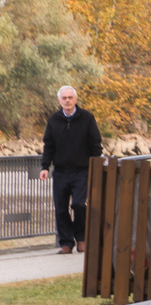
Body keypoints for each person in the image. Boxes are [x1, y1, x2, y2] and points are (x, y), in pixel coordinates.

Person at [39, 85, 102, 253]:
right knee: (60, 208)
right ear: (59, 101)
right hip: (60, 171)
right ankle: (66, 243)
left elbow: (96, 144)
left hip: (82, 171)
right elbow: (48, 146)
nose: (67, 100)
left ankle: (81, 238)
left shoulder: (87, 118)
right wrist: (45, 167)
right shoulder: (54, 120)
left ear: (75, 99)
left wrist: (95, 166)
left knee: (79, 205)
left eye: (70, 97)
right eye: (64, 98)